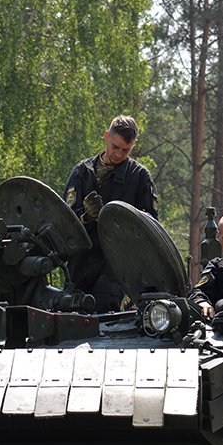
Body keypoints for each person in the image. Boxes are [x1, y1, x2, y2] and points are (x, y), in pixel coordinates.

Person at [63, 115, 158, 312]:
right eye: (115, 147)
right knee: (70, 316)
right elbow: (64, 220)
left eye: (126, 150)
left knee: (105, 316)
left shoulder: (139, 177)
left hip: (116, 264)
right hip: (80, 263)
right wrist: (86, 216)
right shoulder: (82, 172)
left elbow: (150, 227)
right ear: (106, 136)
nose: (119, 154)